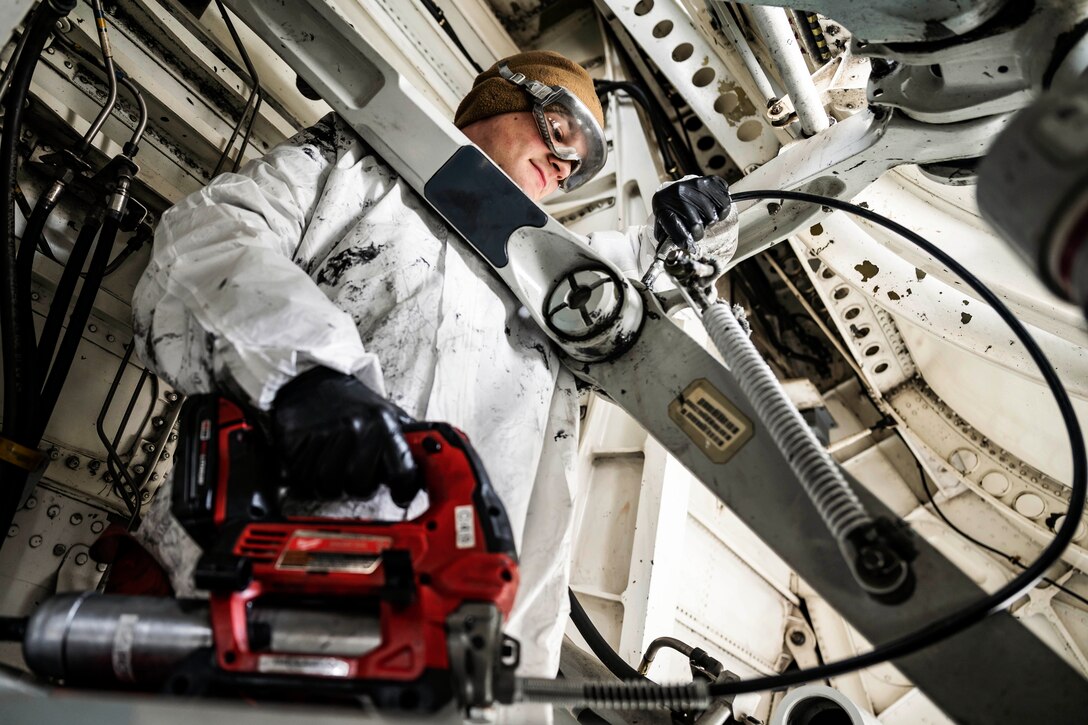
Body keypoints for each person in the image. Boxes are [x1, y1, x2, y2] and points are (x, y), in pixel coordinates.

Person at [130, 50, 732, 680]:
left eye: (578, 166)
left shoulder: (560, 283)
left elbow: (656, 289)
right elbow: (208, 241)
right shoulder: (354, 168)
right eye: (559, 131)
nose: (562, 164)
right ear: (499, 101)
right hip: (245, 592)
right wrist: (304, 378)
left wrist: (702, 226)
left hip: (444, 649)